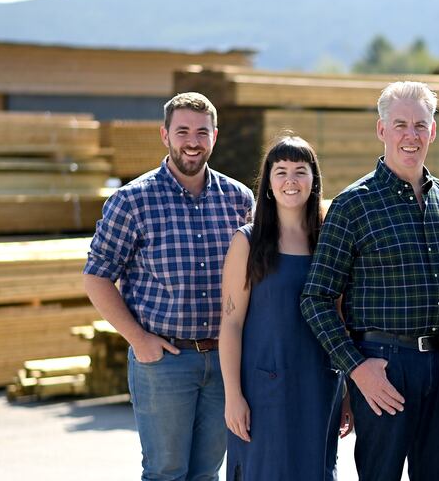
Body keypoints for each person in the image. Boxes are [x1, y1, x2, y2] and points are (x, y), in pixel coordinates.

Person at [83, 92, 254, 480]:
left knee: (207, 473)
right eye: (182, 131)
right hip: (165, 362)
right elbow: (96, 276)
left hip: (225, 360)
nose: (192, 141)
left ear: (215, 136)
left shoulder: (238, 199)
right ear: (164, 135)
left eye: (201, 132)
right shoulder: (132, 201)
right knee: (165, 471)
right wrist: (138, 340)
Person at [301, 81, 439, 481]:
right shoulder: (353, 205)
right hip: (383, 367)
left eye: (420, 125)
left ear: (433, 130)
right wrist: (355, 368)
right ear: (381, 130)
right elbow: (316, 298)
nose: (411, 135)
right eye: (400, 125)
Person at [219, 135, 352, 480]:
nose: (290, 180)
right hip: (263, 390)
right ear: (267, 184)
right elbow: (231, 324)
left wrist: (348, 389)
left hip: (319, 384)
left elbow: (339, 319)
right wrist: (233, 396)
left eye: (300, 171)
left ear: (314, 180)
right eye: (281, 171)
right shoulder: (247, 242)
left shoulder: (329, 241)